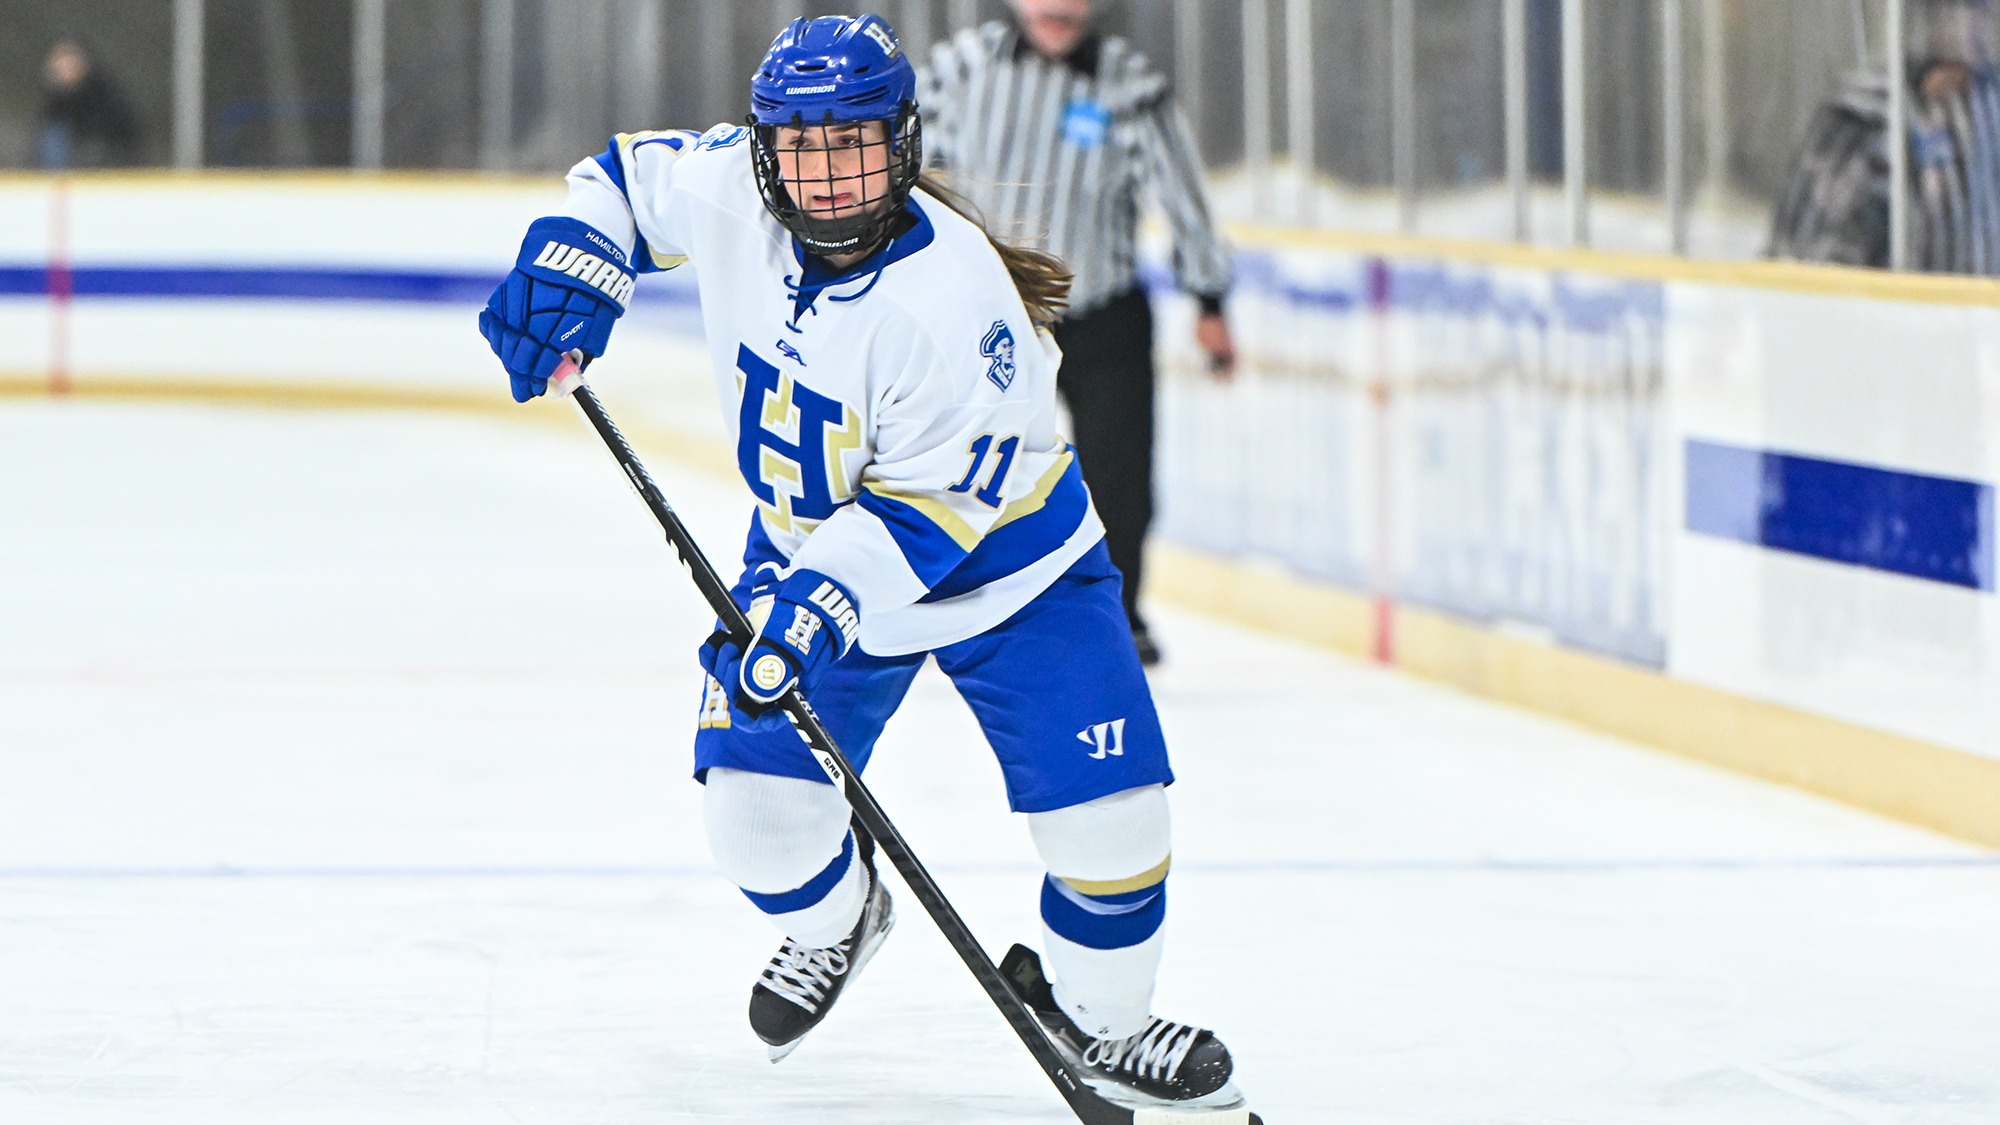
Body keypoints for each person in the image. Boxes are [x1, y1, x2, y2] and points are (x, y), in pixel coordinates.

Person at [476, 12, 1247, 1114]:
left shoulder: (956, 297)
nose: (828, 177)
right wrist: (576, 256)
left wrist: (807, 611)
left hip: (1009, 576)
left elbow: (929, 512)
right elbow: (621, 176)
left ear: (904, 143)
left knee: (1112, 827)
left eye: (854, 147)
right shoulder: (736, 194)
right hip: (806, 563)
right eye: (802, 148)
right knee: (751, 822)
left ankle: (1102, 1017)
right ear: (764, 149)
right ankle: (844, 920)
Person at [921, 0, 1237, 666]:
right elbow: (916, 176)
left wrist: (1208, 297)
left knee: (1120, 478)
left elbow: (1180, 191)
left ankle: (1117, 612)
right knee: (972, 465)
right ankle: (962, 601)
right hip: (990, 319)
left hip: (1102, 311)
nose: (1056, 8)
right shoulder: (959, 70)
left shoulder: (1130, 83)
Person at [36, 39, 136, 169]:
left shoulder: (103, 100)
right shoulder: (53, 105)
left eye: (69, 62)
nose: (62, 67)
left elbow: (111, 145)